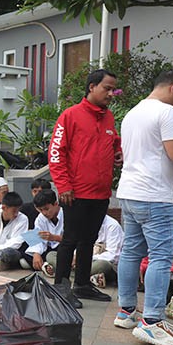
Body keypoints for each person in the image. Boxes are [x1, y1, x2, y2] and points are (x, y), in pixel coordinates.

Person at [114, 70, 173, 345]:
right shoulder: (166, 113)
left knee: (131, 251)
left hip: (129, 192)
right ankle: (152, 322)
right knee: (162, 257)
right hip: (155, 195)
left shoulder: (133, 113)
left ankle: (126, 312)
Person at [48, 69, 122, 303]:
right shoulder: (70, 116)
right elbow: (56, 152)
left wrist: (118, 153)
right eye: (107, 88)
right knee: (70, 239)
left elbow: (114, 142)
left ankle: (81, 285)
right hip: (75, 192)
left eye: (113, 89)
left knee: (89, 240)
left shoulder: (108, 117)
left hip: (101, 192)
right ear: (92, 87)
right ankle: (61, 287)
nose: (111, 94)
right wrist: (63, 185)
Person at [23, 189, 62, 278]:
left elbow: (74, 239)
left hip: (63, 248)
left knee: (52, 255)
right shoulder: (40, 218)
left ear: (56, 204)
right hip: (47, 248)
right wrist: (36, 254)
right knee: (26, 241)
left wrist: (54, 237)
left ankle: (46, 265)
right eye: (40, 210)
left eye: (46, 209)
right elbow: (37, 238)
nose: (44, 213)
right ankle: (45, 265)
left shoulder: (67, 214)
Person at [88, 214, 124, 289]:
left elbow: (113, 256)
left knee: (103, 265)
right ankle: (89, 277)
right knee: (60, 257)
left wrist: (86, 258)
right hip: (87, 261)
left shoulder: (112, 226)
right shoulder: (85, 222)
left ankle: (78, 274)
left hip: (109, 264)